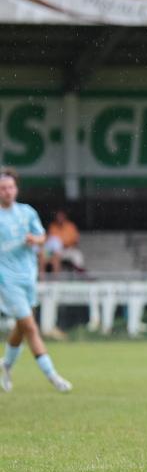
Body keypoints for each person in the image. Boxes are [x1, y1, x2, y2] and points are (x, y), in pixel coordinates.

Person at [0, 168, 71, 393]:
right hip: (7, 280)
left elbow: (43, 238)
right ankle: (54, 377)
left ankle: (6, 366)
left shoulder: (27, 212)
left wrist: (35, 239)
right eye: (3, 188)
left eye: (10, 187)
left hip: (27, 276)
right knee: (31, 327)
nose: (7, 191)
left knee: (21, 327)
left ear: (16, 189)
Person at [39, 210, 84, 277]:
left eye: (61, 216)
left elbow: (75, 241)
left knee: (77, 255)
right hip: (54, 251)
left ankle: (80, 273)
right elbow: (49, 242)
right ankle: (43, 278)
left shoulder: (70, 226)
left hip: (67, 249)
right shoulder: (53, 227)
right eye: (58, 217)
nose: (59, 218)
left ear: (65, 217)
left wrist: (66, 245)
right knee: (45, 255)